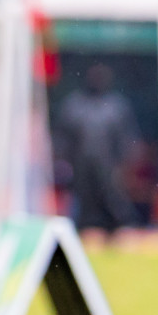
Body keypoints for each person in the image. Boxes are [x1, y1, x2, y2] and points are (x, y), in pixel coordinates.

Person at [56, 63, 137, 239]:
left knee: (114, 199)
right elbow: (64, 139)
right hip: (81, 166)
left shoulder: (116, 106)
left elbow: (126, 139)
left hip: (110, 166)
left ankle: (120, 227)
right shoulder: (75, 105)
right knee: (86, 202)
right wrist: (65, 163)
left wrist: (124, 165)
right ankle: (87, 229)